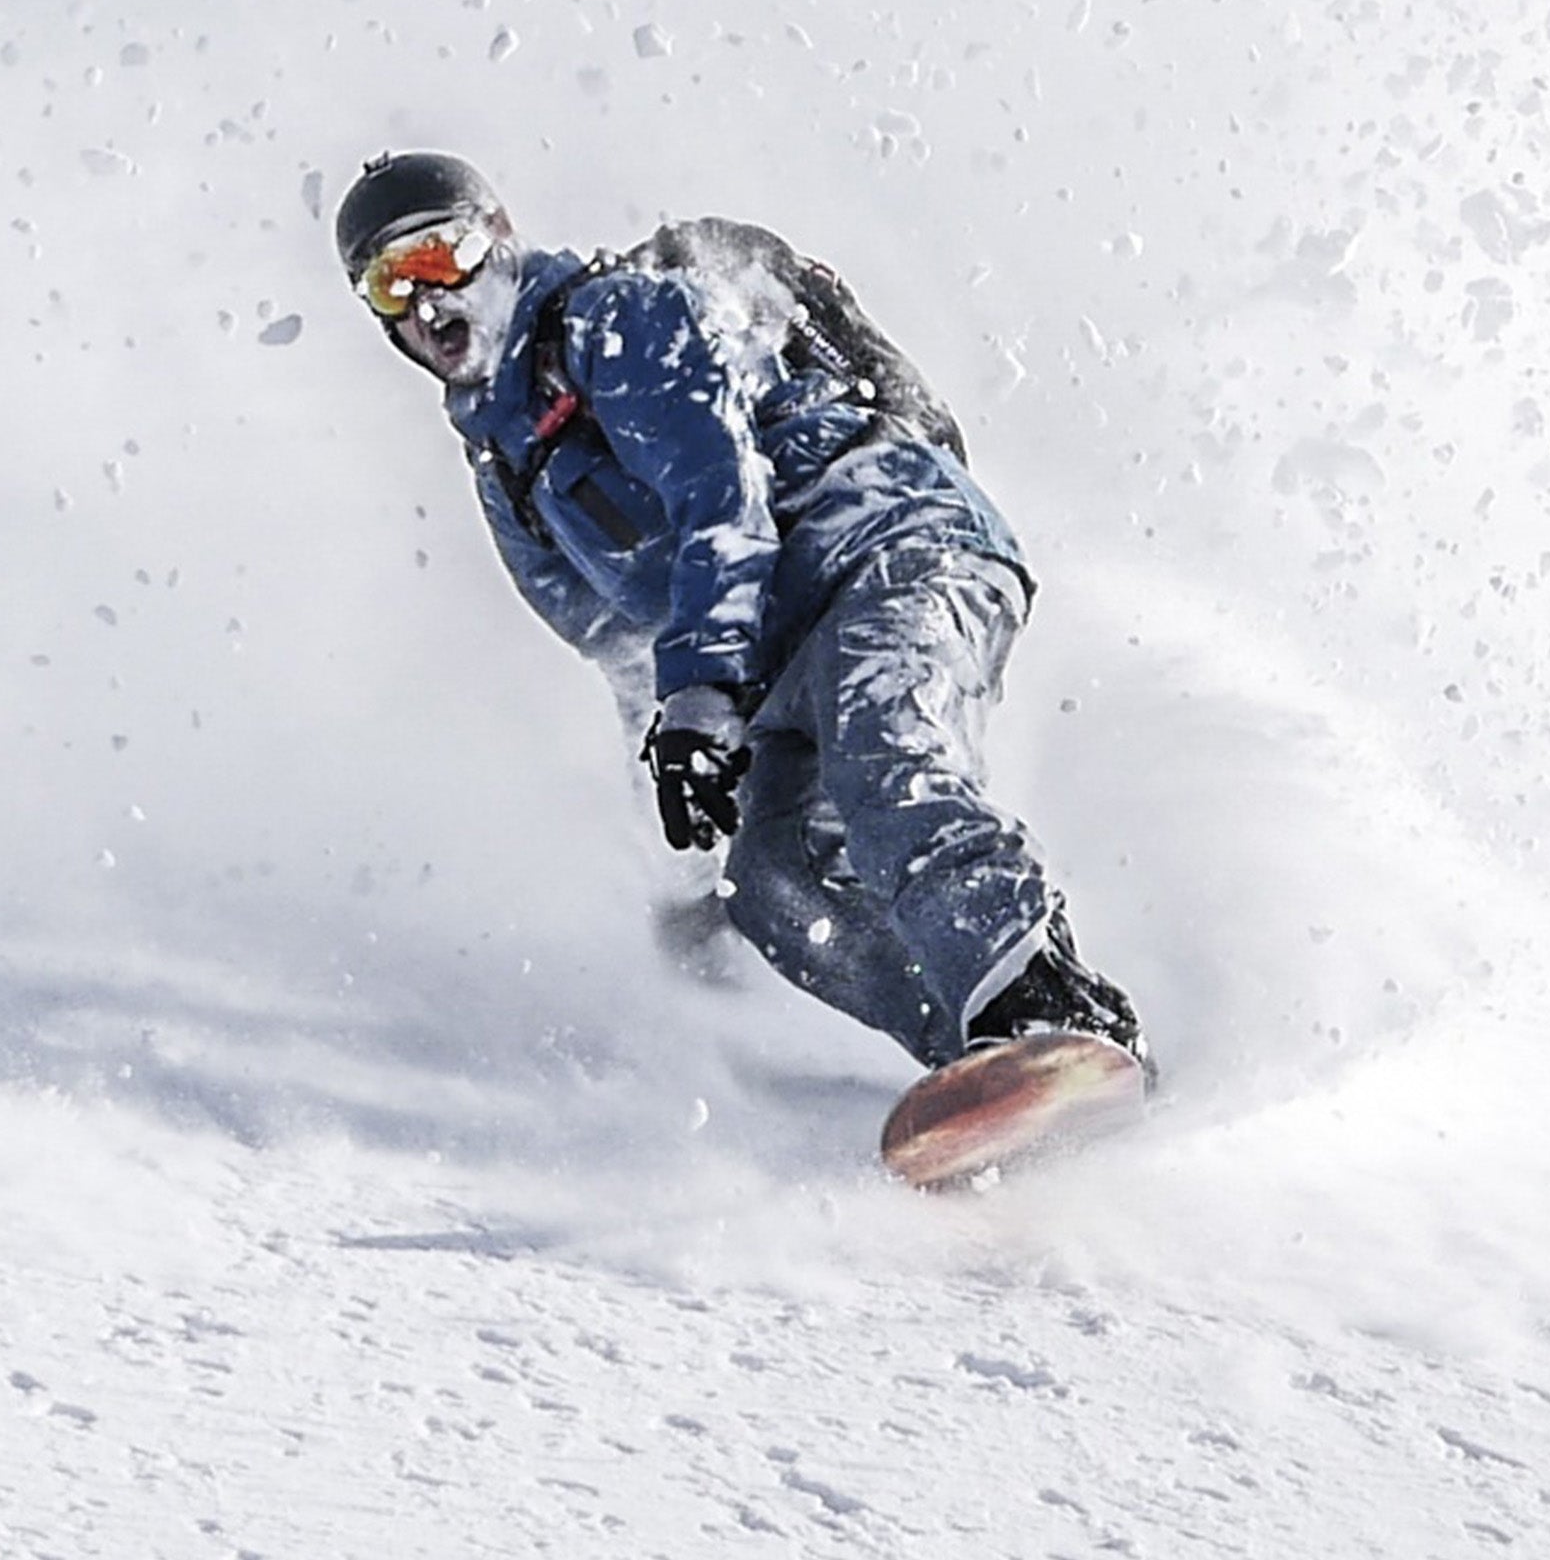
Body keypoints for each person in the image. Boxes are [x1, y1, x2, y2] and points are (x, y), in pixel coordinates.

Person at [334, 149, 1146, 1174]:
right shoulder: (508, 468)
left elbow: (721, 500)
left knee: (879, 741)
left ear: (495, 239)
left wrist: (708, 692)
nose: (427, 299)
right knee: (771, 884)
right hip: (774, 647)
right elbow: (627, 653)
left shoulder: (614, 319)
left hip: (889, 544)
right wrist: (684, 836)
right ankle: (996, 1070)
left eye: (440, 254)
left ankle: (1045, 1002)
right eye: (389, 283)